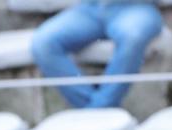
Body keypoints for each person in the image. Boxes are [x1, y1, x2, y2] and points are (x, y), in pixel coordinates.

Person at [31, 0, 162, 111]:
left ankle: (98, 111)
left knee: (133, 37)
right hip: (90, 8)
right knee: (43, 43)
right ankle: (98, 111)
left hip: (135, 7)